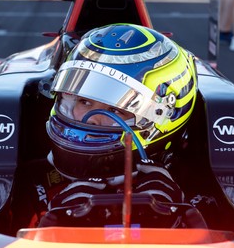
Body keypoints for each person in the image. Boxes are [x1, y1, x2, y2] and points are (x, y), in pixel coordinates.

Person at [30, 23, 200, 229]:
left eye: (116, 110)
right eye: (84, 101)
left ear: (162, 115)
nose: (91, 119)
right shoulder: (28, 180)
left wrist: (177, 217)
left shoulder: (196, 183)